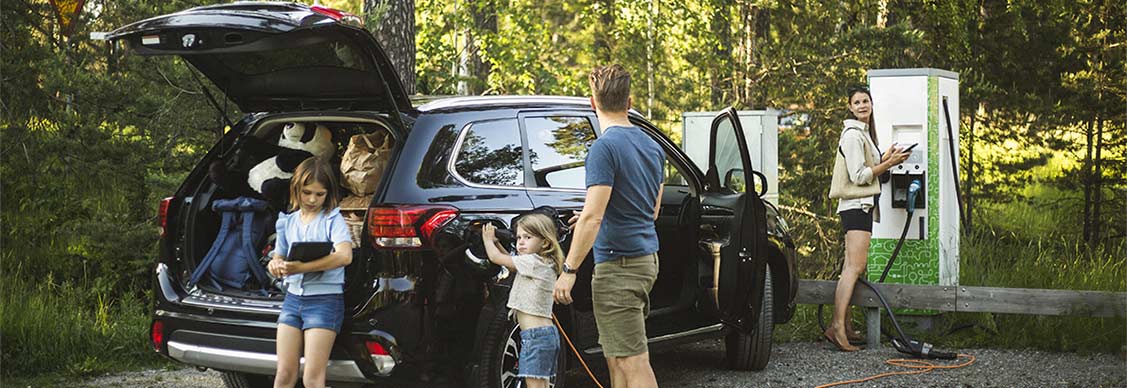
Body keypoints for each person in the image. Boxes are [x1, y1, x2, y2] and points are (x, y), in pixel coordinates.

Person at [553, 64, 664, 388]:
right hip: (643, 260)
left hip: (620, 266)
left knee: (633, 361)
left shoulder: (604, 147)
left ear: (592, 102)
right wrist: (592, 215)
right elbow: (651, 210)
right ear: (629, 102)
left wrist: (568, 271)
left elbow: (593, 217)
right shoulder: (652, 146)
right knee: (616, 357)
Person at [825, 86, 909, 352]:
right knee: (854, 268)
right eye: (857, 102)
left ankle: (843, 326)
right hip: (856, 206)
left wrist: (886, 159)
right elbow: (860, 175)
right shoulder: (852, 135)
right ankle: (838, 329)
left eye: (866, 100)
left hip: (860, 206)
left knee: (850, 267)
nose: (862, 105)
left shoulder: (863, 134)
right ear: (849, 107)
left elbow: (868, 168)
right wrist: (889, 163)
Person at [266, 157, 353, 388]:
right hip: (292, 300)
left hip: (325, 302)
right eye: (307, 192)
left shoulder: (332, 219)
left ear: (328, 194)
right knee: (284, 374)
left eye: (319, 194)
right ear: (296, 188)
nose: (313, 199)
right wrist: (275, 265)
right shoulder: (287, 222)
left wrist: (301, 268)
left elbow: (345, 256)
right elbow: (278, 256)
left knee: (312, 380)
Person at [480, 214, 565, 388]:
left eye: (527, 237)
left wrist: (488, 239)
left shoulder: (534, 262)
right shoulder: (540, 262)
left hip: (536, 338)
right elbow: (511, 263)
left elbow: (497, 258)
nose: (521, 242)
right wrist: (497, 243)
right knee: (541, 384)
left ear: (545, 242)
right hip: (542, 336)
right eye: (518, 237)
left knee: (535, 385)